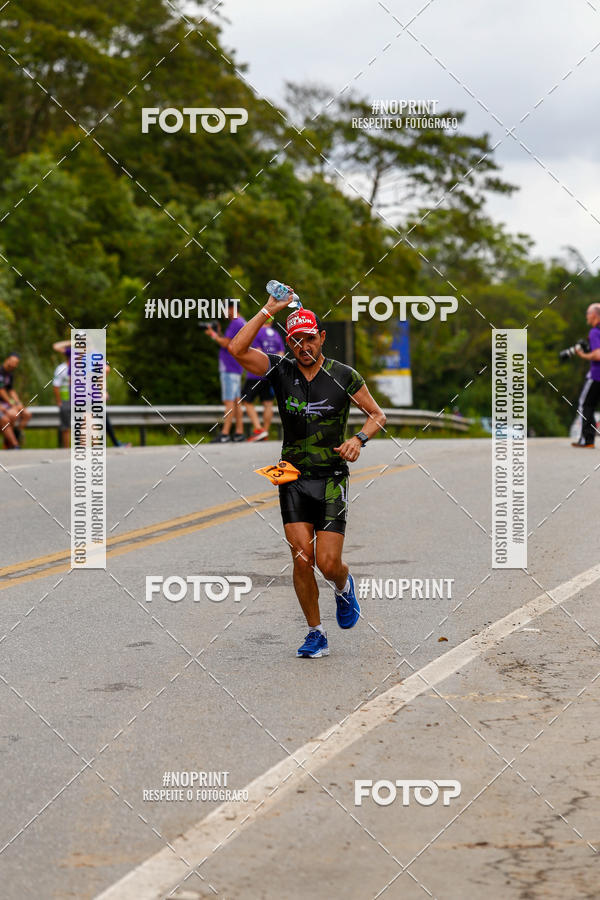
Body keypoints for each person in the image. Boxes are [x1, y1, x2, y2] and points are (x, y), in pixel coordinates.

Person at [229, 290, 386, 658]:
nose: (304, 346)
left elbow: (378, 415)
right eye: (296, 340)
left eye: (310, 338)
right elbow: (236, 350)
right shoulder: (279, 370)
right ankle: (315, 632)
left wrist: (359, 439)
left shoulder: (344, 376)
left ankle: (343, 586)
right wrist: (269, 309)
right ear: (290, 343)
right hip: (292, 478)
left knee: (328, 564)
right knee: (301, 557)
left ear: (322, 337)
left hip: (332, 478)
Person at [206, 303, 247, 443]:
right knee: (236, 402)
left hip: (229, 368)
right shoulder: (242, 322)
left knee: (229, 401)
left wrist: (213, 335)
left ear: (232, 309)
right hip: (237, 366)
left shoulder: (235, 322)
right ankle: (239, 432)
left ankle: (224, 434)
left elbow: (226, 344)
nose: (223, 312)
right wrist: (219, 334)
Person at [242, 318, 285, 441]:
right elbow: (281, 353)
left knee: (246, 399)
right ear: (271, 322)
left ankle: (258, 429)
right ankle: (265, 432)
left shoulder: (257, 332)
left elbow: (257, 352)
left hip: (256, 374)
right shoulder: (276, 334)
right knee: (268, 403)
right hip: (271, 374)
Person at [573, 303, 600, 448]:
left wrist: (583, 354)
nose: (586, 316)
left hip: (596, 375)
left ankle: (587, 439)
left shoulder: (595, 332)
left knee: (585, 404)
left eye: (587, 313)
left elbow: (598, 355)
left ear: (594, 315)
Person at [0, 353, 31, 445]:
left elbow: (11, 390)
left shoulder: (10, 374)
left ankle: (17, 433)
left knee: (26, 414)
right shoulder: (0, 372)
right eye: (12, 362)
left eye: (16, 363)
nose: (13, 365)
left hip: (6, 402)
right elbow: (1, 391)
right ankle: (11, 442)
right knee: (13, 415)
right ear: (7, 360)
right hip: (3, 403)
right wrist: (12, 404)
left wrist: (18, 403)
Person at [52, 340, 71, 448]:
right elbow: (56, 386)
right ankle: (66, 449)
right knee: (65, 427)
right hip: (65, 399)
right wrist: (59, 401)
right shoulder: (61, 368)